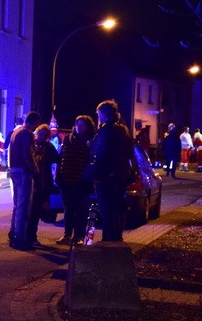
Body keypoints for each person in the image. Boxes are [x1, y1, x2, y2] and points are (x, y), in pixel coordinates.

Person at [87, 99, 134, 243]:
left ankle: (109, 239)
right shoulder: (123, 130)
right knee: (117, 209)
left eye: (98, 114)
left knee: (106, 209)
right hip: (119, 176)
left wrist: (92, 172)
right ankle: (116, 238)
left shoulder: (106, 130)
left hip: (106, 177)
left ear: (102, 114)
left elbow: (101, 154)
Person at [55, 115, 96, 245]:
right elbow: (60, 157)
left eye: (83, 124)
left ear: (88, 127)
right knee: (68, 209)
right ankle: (67, 235)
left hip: (81, 181)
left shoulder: (91, 141)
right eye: (78, 124)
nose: (79, 127)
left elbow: (91, 161)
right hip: (67, 179)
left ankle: (78, 236)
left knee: (81, 210)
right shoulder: (68, 139)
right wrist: (58, 174)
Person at [7, 111, 40, 250]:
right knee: (24, 206)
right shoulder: (27, 133)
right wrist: (35, 169)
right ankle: (20, 238)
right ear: (35, 122)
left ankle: (14, 234)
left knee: (17, 205)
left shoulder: (16, 132)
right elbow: (28, 153)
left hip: (14, 170)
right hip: (23, 171)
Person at [26, 123, 59, 247]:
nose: (42, 136)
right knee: (29, 211)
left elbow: (57, 160)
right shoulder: (32, 145)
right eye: (41, 133)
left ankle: (31, 236)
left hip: (43, 183)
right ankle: (26, 235)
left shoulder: (49, 147)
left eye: (45, 134)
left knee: (36, 211)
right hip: (31, 181)